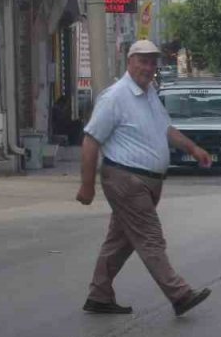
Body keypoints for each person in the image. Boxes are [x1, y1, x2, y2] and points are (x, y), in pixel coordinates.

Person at [75, 40, 212, 317]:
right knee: (151, 238)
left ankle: (99, 294)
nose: (148, 68)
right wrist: (87, 186)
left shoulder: (150, 93)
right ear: (130, 61)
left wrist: (193, 148)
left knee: (120, 241)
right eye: (143, 61)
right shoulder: (114, 97)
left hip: (148, 182)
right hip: (125, 179)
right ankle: (179, 294)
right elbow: (90, 141)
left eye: (153, 62)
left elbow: (166, 130)